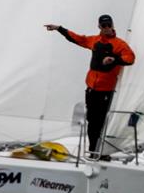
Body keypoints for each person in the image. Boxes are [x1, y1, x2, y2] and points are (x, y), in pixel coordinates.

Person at [45, 15, 135, 158]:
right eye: (103, 26)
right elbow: (77, 38)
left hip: (106, 91)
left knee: (99, 121)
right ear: (99, 27)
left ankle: (97, 151)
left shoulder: (120, 44)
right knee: (91, 121)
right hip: (91, 88)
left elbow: (130, 58)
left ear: (112, 25)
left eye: (108, 25)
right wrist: (59, 29)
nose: (106, 28)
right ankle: (93, 150)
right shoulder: (94, 41)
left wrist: (114, 59)